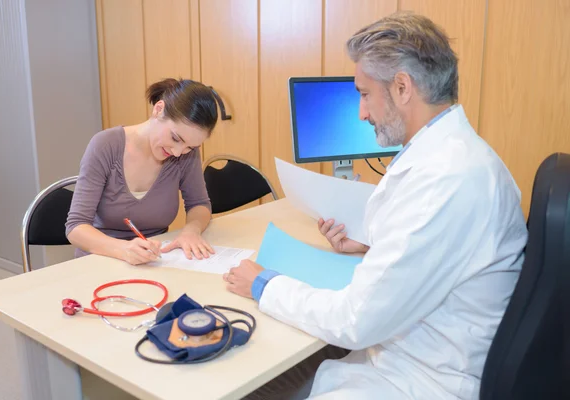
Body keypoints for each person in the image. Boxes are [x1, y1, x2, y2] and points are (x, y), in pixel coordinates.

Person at [226, 12, 528, 400]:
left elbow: (356, 321)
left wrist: (262, 284)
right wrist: (372, 245)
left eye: (364, 94)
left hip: (423, 380)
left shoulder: (448, 179)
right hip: (405, 355)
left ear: (402, 87)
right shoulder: (453, 158)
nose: (361, 113)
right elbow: (430, 252)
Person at [66, 78, 217, 265]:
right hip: (99, 261)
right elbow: (76, 228)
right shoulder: (105, 145)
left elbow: (199, 204)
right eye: (175, 138)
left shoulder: (187, 154)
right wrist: (123, 249)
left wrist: (191, 231)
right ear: (158, 110)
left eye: (189, 147)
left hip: (153, 261)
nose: (178, 152)